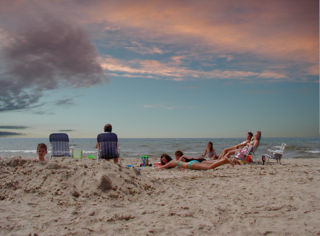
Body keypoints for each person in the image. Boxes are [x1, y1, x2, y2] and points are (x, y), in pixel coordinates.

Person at [156, 153, 234, 170]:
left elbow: (162, 167)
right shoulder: (174, 162)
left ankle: (224, 160)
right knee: (209, 167)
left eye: (164, 159)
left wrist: (156, 167)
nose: (164, 161)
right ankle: (225, 161)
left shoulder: (171, 163)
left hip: (191, 165)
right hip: (191, 164)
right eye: (163, 160)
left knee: (209, 167)